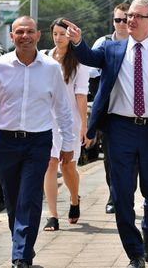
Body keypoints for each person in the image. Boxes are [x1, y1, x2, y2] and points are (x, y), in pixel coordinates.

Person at [64, 0, 148, 268]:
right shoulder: (112, 49)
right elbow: (87, 57)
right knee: (121, 193)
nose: (131, 20)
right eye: (128, 15)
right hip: (119, 130)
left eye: (138, 16)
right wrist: (78, 41)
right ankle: (135, 253)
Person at [0, 16, 74, 268]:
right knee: (13, 200)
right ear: (12, 36)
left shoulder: (50, 68)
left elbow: (63, 109)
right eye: (19, 32)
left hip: (38, 142)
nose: (25, 36)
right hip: (5, 142)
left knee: (29, 197)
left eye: (30, 32)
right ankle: (22, 247)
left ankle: (21, 257)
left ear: (38, 36)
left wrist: (67, 145)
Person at [42, 18, 91, 231]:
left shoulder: (79, 62)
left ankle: (74, 199)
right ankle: (52, 215)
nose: (59, 38)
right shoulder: (44, 58)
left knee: (68, 166)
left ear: (70, 36)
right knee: (51, 163)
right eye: (55, 34)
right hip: (46, 121)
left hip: (70, 121)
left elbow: (81, 95)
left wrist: (84, 126)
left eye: (63, 34)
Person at [89, 3, 130, 214]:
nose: (121, 24)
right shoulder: (103, 43)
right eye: (118, 20)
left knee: (133, 160)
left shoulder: (138, 44)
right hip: (109, 112)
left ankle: (126, 194)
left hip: (134, 111)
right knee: (110, 158)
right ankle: (114, 196)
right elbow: (90, 72)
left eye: (125, 19)